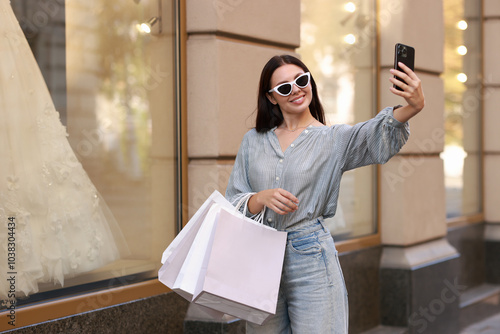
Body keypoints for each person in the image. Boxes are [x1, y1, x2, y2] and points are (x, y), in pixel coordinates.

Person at [225, 54, 424, 333]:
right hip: (260, 257)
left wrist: (413, 106)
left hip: (311, 255)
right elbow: (232, 201)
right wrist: (259, 198)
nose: (295, 89)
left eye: (301, 80)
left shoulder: (333, 139)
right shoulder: (253, 141)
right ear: (271, 98)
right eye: (284, 87)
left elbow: (374, 132)